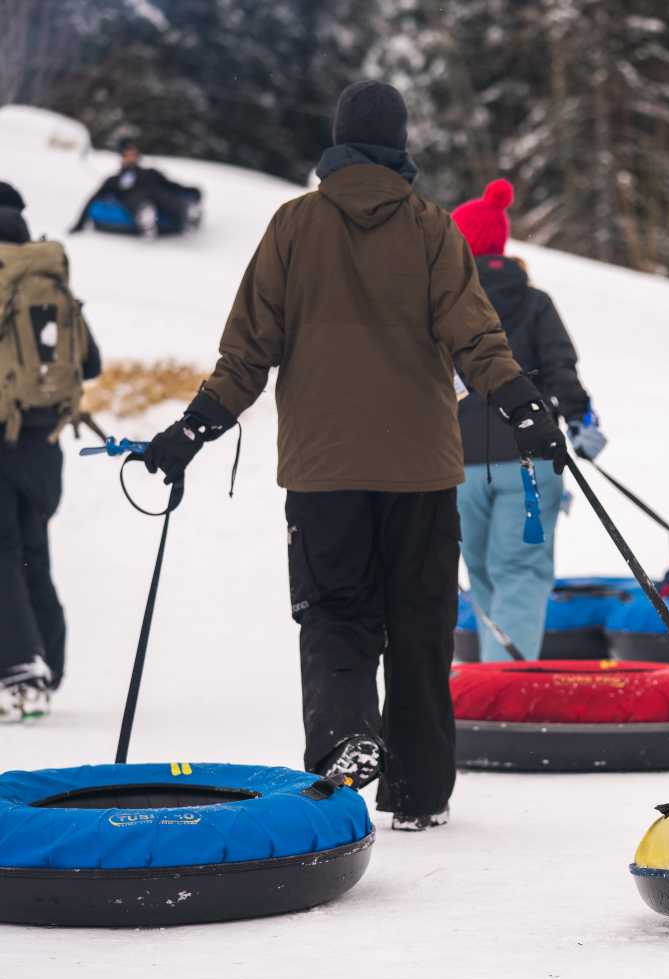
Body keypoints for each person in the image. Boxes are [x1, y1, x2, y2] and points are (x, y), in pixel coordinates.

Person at [141, 82, 564, 831]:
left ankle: (345, 739)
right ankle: (419, 790)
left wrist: (193, 430)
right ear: (402, 147)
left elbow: (247, 353)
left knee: (335, 614)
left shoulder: (293, 227)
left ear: (336, 143)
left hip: (323, 472)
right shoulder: (433, 229)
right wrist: (524, 406)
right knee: (421, 623)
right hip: (423, 473)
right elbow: (477, 338)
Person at [452, 179, 605, 661]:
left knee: (480, 574)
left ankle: (492, 685)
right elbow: (561, 369)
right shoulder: (534, 302)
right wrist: (581, 421)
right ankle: (507, 685)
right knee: (520, 572)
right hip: (530, 461)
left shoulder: (442, 304)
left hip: (458, 463)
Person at [0, 182, 102, 722]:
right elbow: (90, 364)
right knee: (30, 553)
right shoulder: (50, 281)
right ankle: (48, 664)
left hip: (2, 435)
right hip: (44, 444)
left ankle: (20, 668)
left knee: (1, 553)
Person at [71, 139, 202, 237]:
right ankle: (145, 216)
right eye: (127, 155)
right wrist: (79, 223)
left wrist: (193, 192)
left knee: (162, 194)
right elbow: (94, 198)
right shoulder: (115, 179)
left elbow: (172, 185)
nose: (131, 158)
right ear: (122, 158)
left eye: (133, 154)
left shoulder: (151, 172)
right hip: (135, 200)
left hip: (158, 196)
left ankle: (187, 212)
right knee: (136, 197)